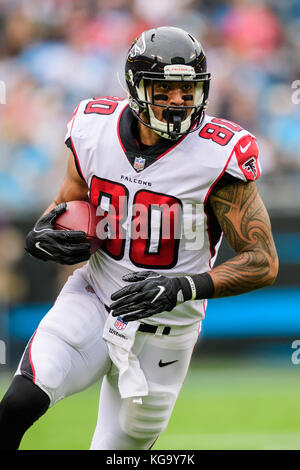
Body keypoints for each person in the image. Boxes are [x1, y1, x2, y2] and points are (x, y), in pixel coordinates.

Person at [0, 26, 278, 450]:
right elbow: (66, 207)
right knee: (18, 403)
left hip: (167, 329)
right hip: (94, 296)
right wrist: (43, 235)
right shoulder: (93, 129)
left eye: (188, 92)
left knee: (117, 452)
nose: (178, 103)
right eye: (164, 90)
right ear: (135, 86)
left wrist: (183, 286)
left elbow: (262, 261)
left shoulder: (218, 155)